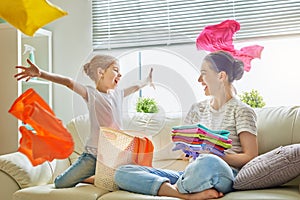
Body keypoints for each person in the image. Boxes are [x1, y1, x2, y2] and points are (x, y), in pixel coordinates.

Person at [113, 50, 258, 199]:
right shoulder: (197, 109)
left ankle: (176, 188)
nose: (199, 79)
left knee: (208, 161)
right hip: (190, 174)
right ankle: (182, 193)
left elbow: (251, 156)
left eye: (204, 73)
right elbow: (184, 151)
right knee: (122, 172)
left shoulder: (242, 111)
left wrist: (217, 155)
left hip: (220, 172)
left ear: (221, 76)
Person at [14, 54, 154, 188]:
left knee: (123, 182)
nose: (120, 74)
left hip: (115, 156)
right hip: (93, 156)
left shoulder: (118, 94)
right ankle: (91, 176)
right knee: (60, 183)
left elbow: (136, 87)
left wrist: (146, 81)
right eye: (116, 70)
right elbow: (68, 82)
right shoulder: (92, 94)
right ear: (101, 72)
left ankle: (98, 177)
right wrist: (41, 74)